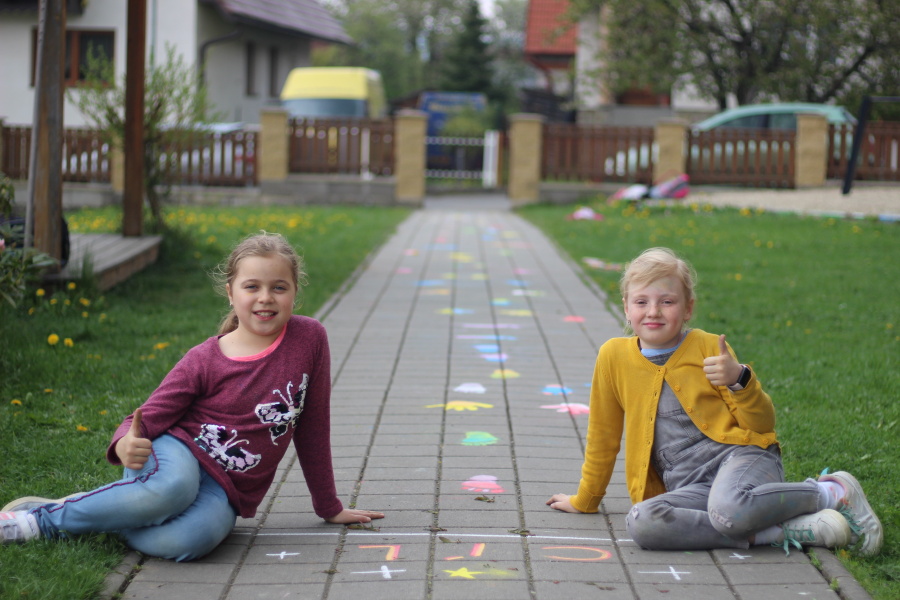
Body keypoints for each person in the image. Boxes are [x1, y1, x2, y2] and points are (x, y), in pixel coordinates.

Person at [1, 232, 383, 560]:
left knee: (192, 540)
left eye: (278, 287)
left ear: (294, 292)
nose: (265, 297)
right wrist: (124, 443)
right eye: (252, 286)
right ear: (231, 293)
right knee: (174, 488)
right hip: (175, 453)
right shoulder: (205, 359)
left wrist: (328, 506)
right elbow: (143, 418)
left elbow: (313, 425)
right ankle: (38, 521)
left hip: (225, 488)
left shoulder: (309, 339)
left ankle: (112, 512)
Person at [547, 247, 882, 556]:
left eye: (667, 301)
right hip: (690, 488)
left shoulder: (709, 348)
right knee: (642, 521)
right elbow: (603, 435)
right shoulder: (613, 357)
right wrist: (586, 499)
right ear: (626, 306)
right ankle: (784, 531)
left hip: (742, 461)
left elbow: (762, 425)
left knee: (731, 507)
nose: (653, 311)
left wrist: (739, 379)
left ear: (688, 308)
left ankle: (831, 492)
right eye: (641, 302)